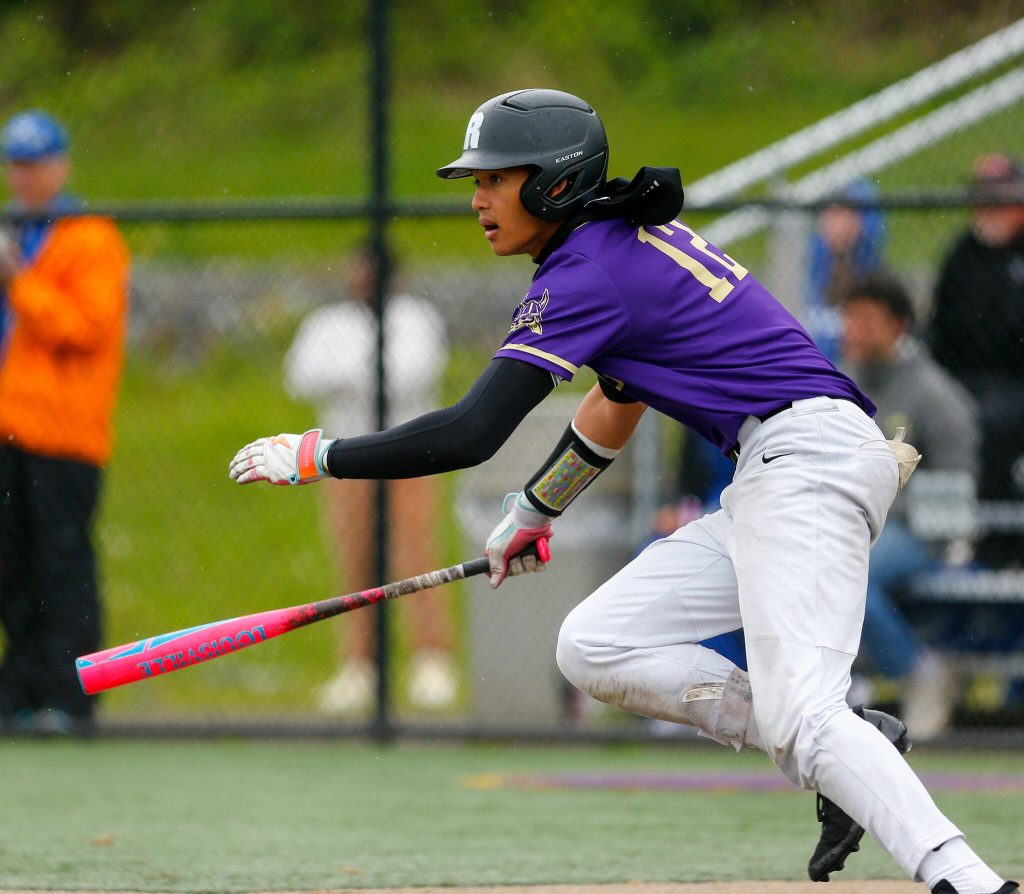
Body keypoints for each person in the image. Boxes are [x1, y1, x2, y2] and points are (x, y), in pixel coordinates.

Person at [229, 90, 1016, 893]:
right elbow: (617, 402)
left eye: (496, 180)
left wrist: (320, 454)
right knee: (594, 645)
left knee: (805, 719)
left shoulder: (588, 268)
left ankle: (967, 879)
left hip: (807, 465)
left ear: (555, 184)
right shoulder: (611, 243)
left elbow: (471, 432)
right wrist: (535, 511)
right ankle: (853, 746)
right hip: (778, 470)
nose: (477, 200)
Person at [0, 110, 130, 734]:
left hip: (65, 436)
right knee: (12, 568)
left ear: (62, 164)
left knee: (62, 566)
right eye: (16, 164)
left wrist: (18, 285)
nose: (26, 177)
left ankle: (72, 698)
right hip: (9, 433)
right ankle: (19, 694)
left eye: (36, 163)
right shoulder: (11, 232)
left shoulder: (90, 238)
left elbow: (85, 329)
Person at [283, 245, 456, 713]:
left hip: (409, 455)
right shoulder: (329, 322)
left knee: (415, 554)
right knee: (353, 558)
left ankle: (431, 660)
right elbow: (301, 375)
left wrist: (346, 373)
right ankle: (359, 665)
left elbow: (409, 374)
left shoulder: (414, 317)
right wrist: (358, 373)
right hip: (347, 458)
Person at [839, 272, 980, 740]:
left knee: (850, 573)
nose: (852, 330)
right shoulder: (839, 384)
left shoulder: (937, 395)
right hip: (851, 523)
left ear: (898, 325)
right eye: (848, 318)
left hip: (918, 533)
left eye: (865, 319)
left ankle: (918, 670)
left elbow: (955, 488)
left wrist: (882, 513)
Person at [929, 153, 1024, 569]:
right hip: (962, 377)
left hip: (1013, 380)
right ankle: (942, 540)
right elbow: (942, 328)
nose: (989, 209)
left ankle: (997, 547)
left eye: (1000, 198)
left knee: (994, 423)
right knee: (931, 415)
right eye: (982, 197)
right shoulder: (964, 253)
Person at [804, 180, 886, 363]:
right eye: (830, 215)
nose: (835, 225)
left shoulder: (876, 281)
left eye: (843, 215)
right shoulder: (813, 271)